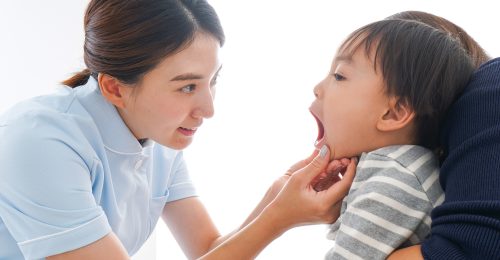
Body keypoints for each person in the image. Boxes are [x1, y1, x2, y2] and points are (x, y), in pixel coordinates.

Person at [0, 1, 357, 259]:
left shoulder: (157, 136)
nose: (209, 109)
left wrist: (277, 198)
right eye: (187, 87)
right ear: (114, 88)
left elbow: (208, 250)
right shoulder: (38, 142)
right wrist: (280, 218)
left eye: (212, 81)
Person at [308, 18, 476, 259]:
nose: (317, 88)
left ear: (393, 113)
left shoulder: (393, 182)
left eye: (339, 76)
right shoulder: (401, 168)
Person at [384, 11, 500, 260]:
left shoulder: (491, 84)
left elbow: (476, 249)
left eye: (341, 76)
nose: (318, 89)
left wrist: (280, 216)